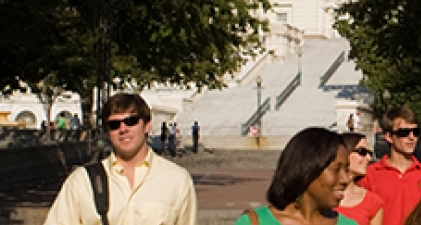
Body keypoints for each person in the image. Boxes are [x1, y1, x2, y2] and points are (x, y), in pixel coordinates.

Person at [44, 93, 197, 224]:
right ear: (107, 131)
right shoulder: (81, 182)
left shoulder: (177, 180)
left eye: (131, 121)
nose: (123, 129)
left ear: (147, 125)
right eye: (114, 124)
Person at [233, 127, 358, 225]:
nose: (345, 179)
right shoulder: (254, 222)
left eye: (346, 169)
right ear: (307, 170)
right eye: (336, 169)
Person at [359, 107, 421, 225]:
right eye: (404, 133)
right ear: (388, 137)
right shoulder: (369, 175)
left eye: (416, 132)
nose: (411, 137)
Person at [335, 132, 384, 225]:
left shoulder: (373, 202)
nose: (369, 158)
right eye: (362, 152)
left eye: (370, 153)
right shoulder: (322, 196)